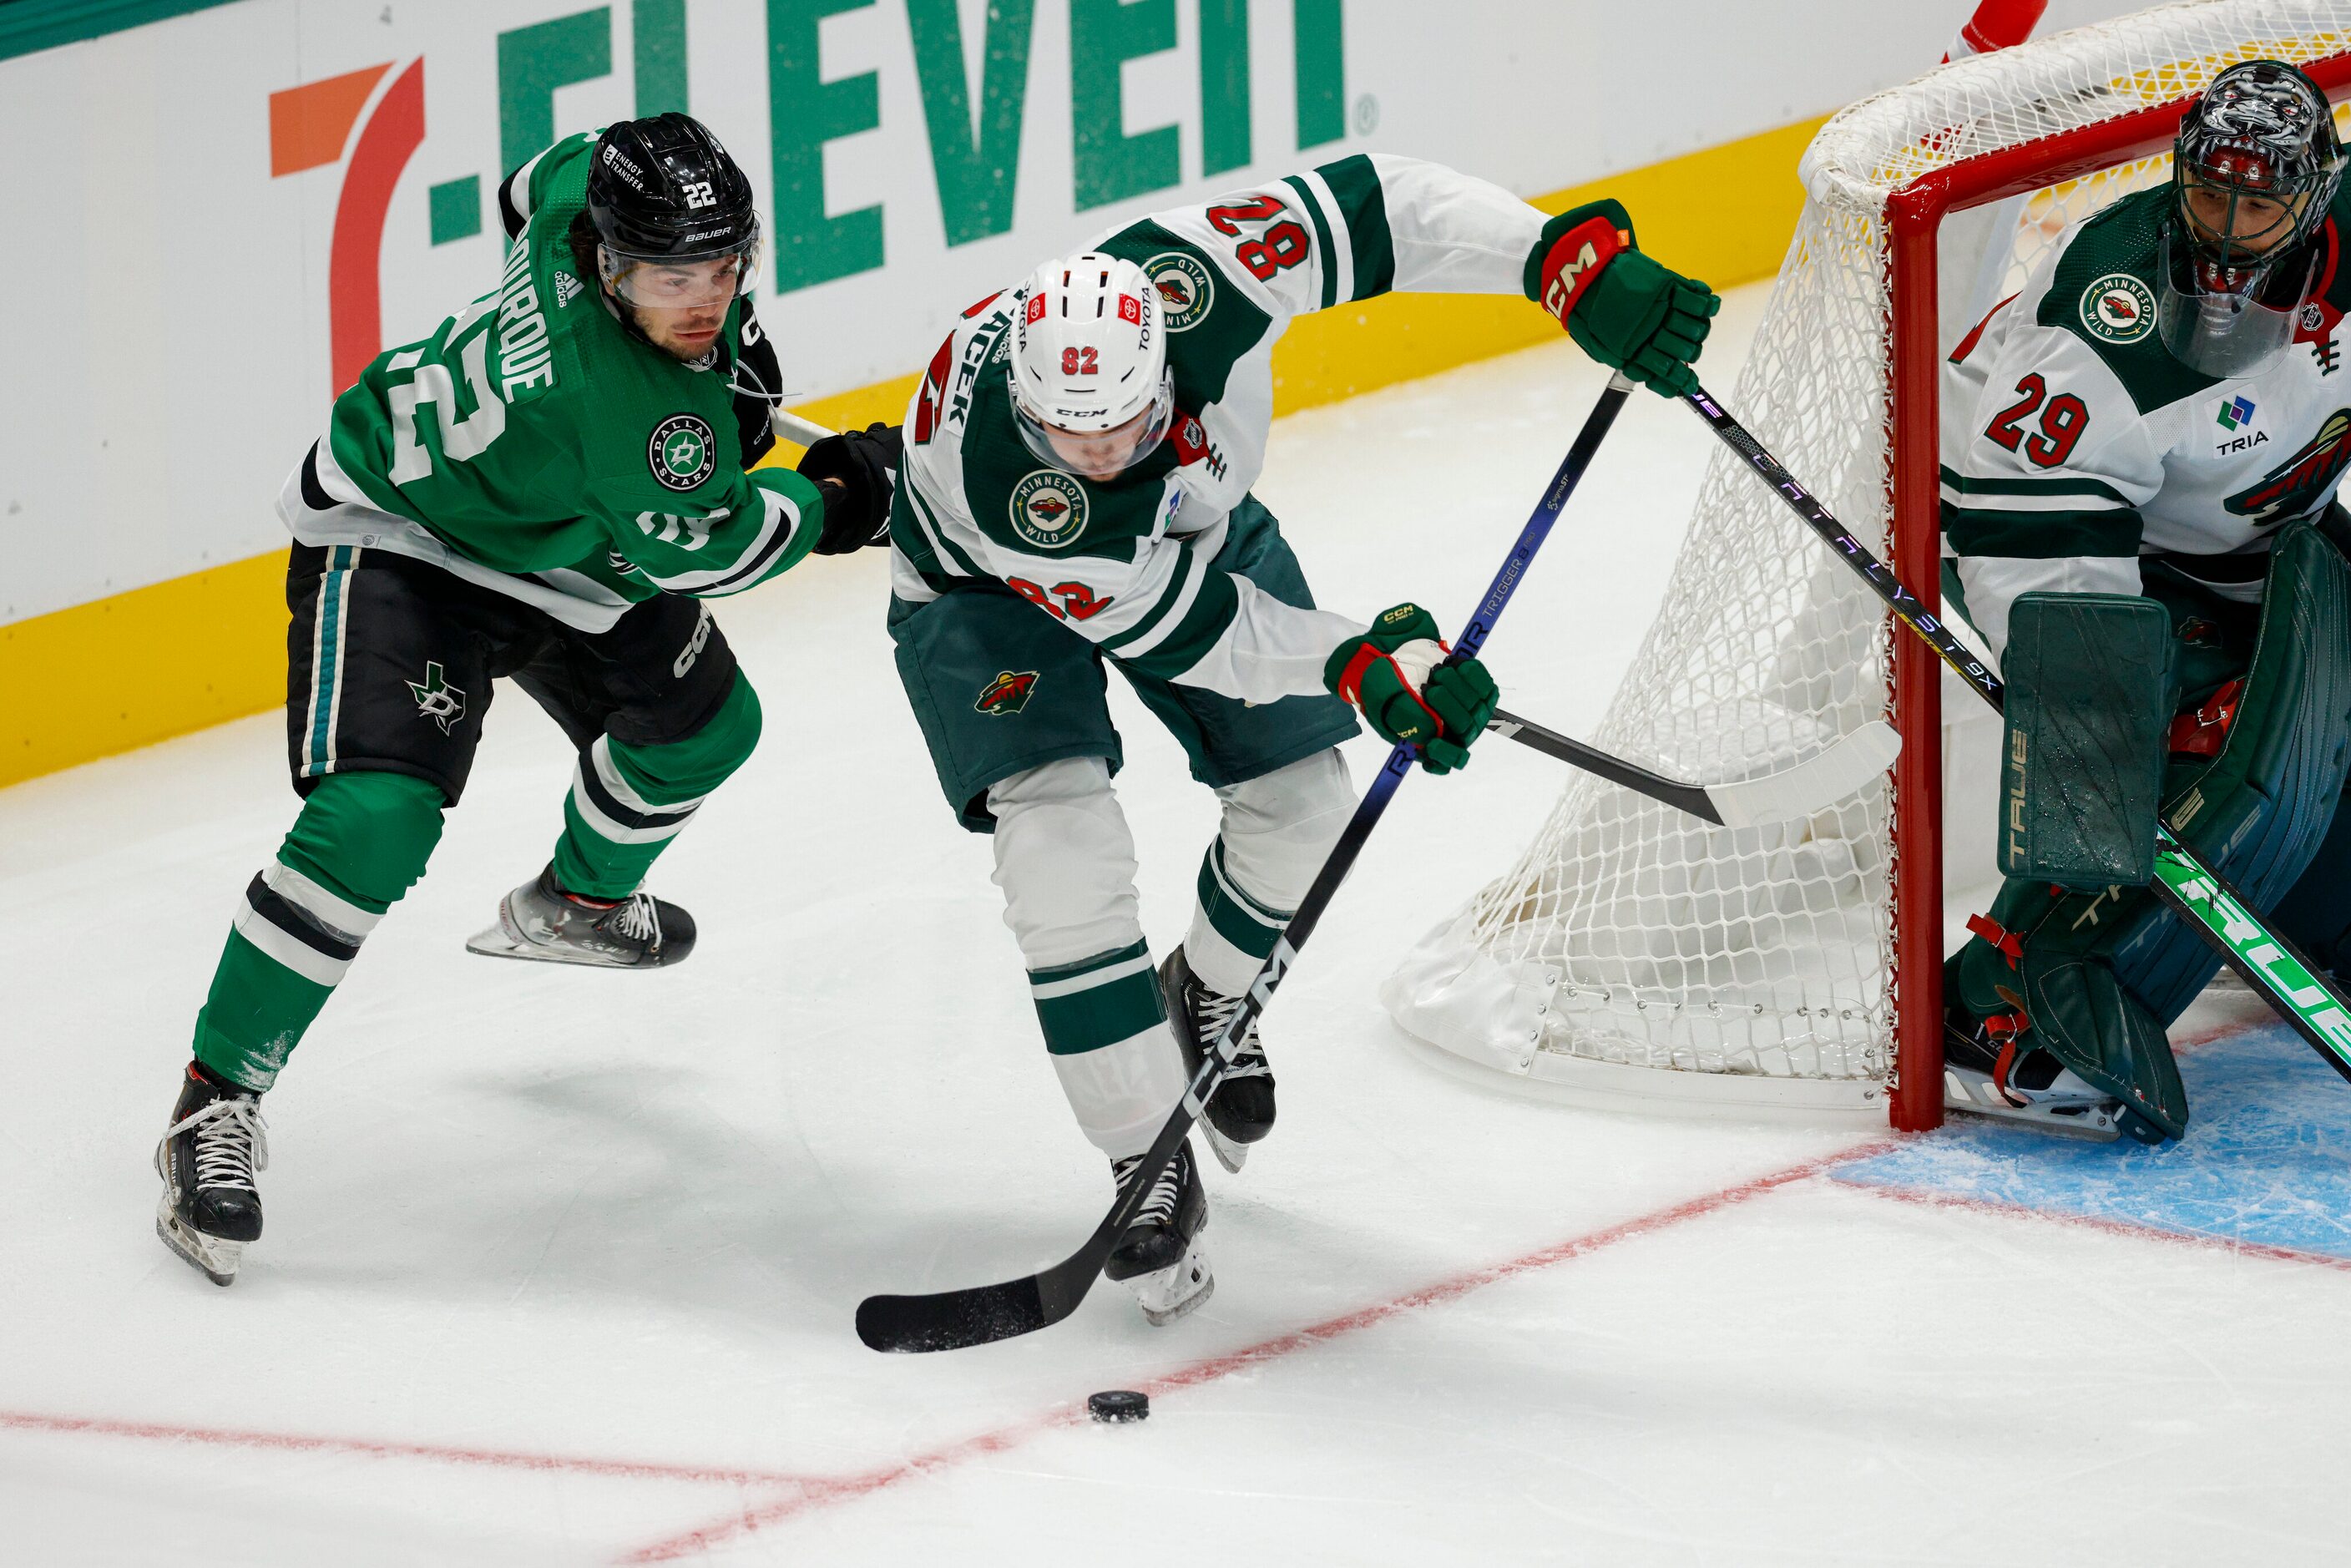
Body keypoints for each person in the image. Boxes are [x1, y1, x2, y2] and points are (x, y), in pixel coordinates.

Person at [887, 155, 1718, 1322]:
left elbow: (1387, 205)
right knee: (1061, 849)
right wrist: (1359, 658)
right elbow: (1205, 635)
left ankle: (1208, 991)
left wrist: (1552, 264)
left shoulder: (1200, 277)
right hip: (980, 594)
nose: (1101, 455)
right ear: (1028, 410)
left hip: (1204, 534)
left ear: (1162, 363)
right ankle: (1144, 1155)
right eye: (1070, 438)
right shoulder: (1028, 500)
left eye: (1124, 424)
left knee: (1306, 809)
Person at [153, 113, 900, 1285]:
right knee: (376, 820)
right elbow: (720, 549)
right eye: (670, 276)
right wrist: (847, 495)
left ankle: (576, 903)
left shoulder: (574, 194)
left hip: (562, 538)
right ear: (608, 262)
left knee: (708, 727)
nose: (702, 298)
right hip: (407, 533)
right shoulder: (648, 428)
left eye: (722, 267)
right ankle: (214, 1101)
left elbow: (524, 188)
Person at [1939, 59, 2351, 1142]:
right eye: (2207, 192)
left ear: (2316, 194)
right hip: (2060, 542)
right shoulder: (2112, 323)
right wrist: (2106, 743)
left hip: (2259, 541)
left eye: (2258, 203)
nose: (2224, 226)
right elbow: (2041, 559)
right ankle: (2013, 992)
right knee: (2207, 726)